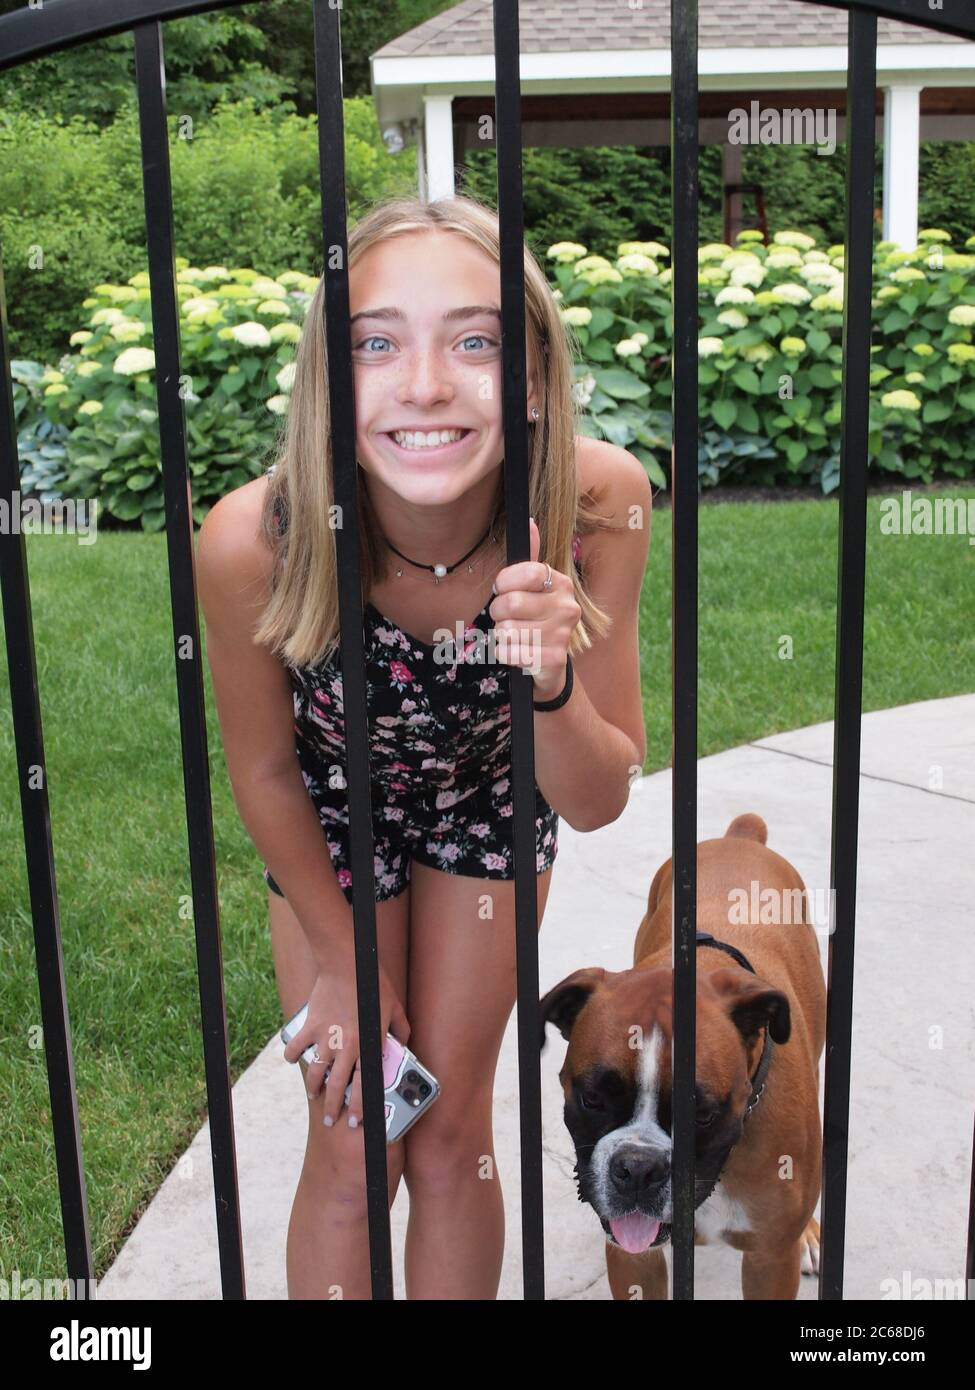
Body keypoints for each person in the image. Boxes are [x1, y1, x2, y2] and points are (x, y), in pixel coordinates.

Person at [197, 193, 650, 1299]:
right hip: (331, 819)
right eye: (377, 343)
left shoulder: (597, 503)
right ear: (329, 382)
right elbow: (260, 769)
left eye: (478, 340)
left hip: (491, 808)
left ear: (534, 376)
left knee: (446, 1130)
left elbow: (597, 797)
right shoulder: (256, 539)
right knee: (358, 1142)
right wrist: (342, 960)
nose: (428, 383)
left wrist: (545, 679)